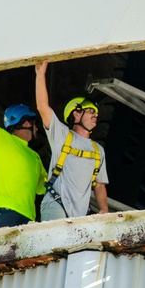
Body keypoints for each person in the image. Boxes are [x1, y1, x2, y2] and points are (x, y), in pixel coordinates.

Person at [0, 73, 47, 229]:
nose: (37, 128)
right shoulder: (0, 140)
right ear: (26, 122)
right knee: (0, 253)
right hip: (6, 213)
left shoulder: (35, 157)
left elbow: (43, 188)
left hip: (28, 219)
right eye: (34, 123)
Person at [35, 61, 109, 220]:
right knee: (56, 242)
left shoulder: (98, 151)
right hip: (56, 204)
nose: (95, 115)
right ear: (76, 114)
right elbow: (43, 107)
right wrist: (40, 75)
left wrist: (104, 209)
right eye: (91, 111)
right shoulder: (62, 135)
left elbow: (100, 185)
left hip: (80, 215)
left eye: (96, 113)